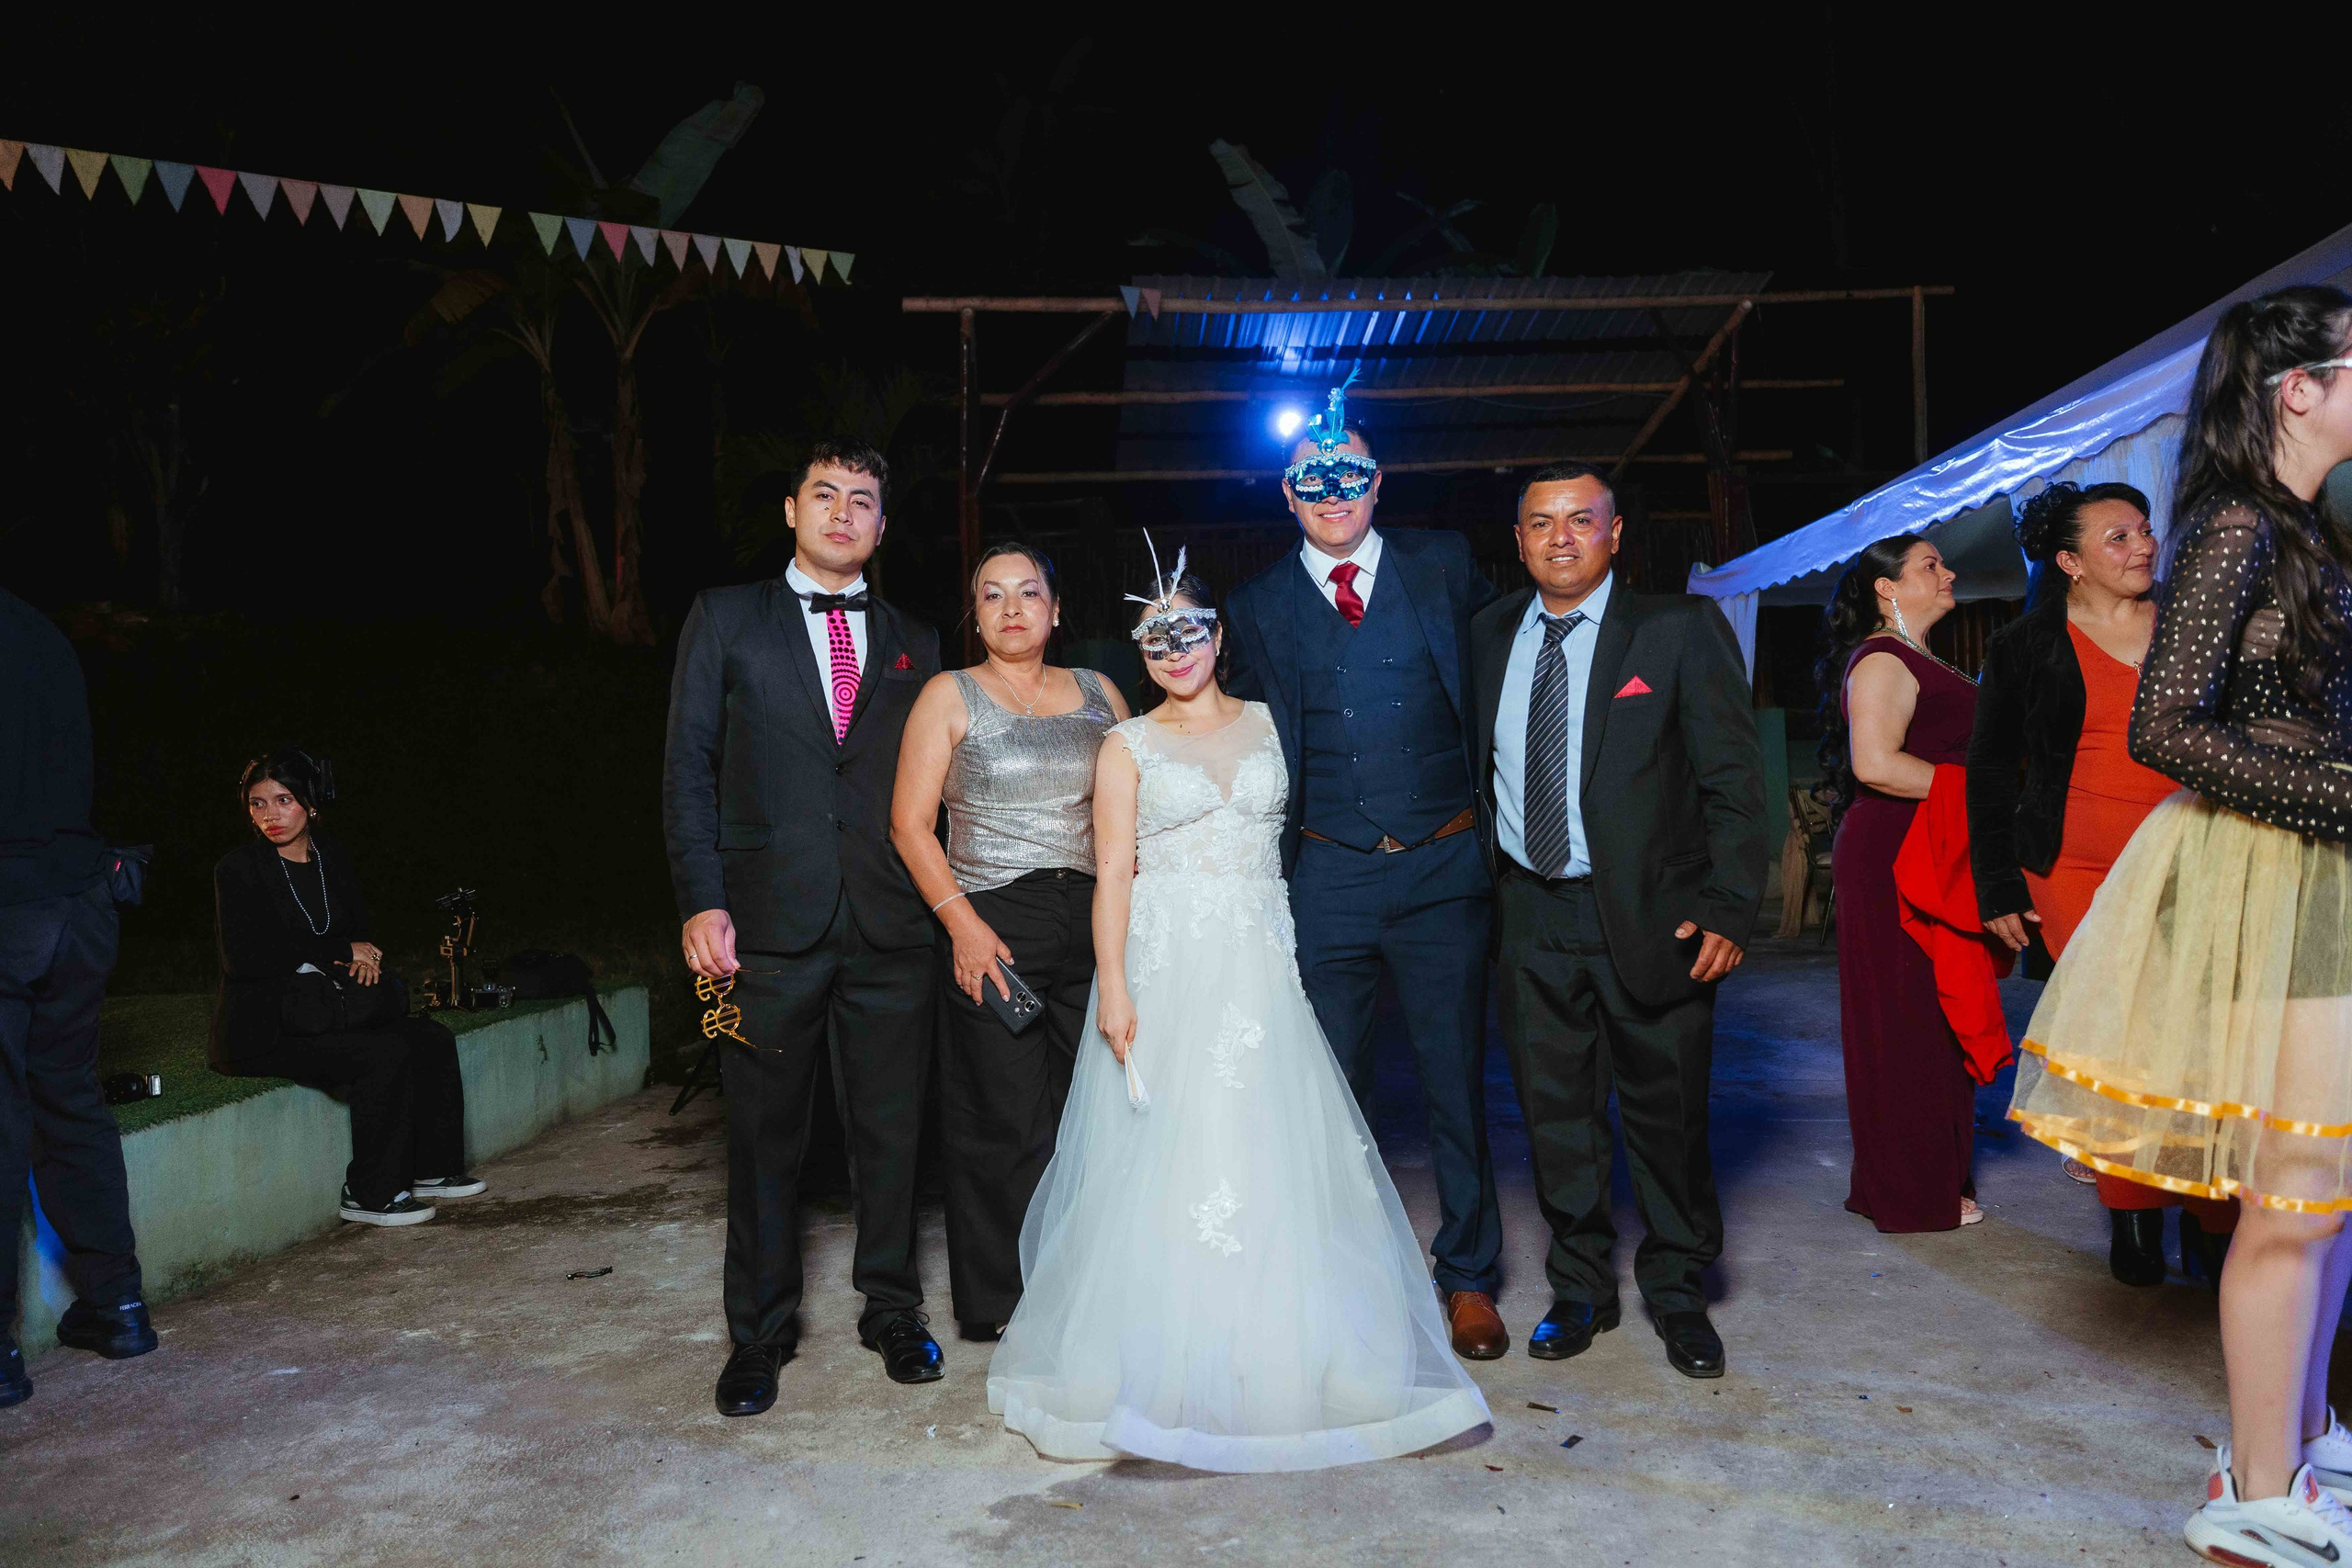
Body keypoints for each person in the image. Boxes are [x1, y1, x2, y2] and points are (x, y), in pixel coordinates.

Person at [987, 552, 1492, 1470]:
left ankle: (1282, 1347)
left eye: (1190, 629)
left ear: (1220, 637)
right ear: (1140, 651)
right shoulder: (1126, 745)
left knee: (1272, 1144)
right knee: (1172, 1148)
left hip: (1262, 969)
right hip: (1168, 969)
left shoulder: (1272, 723)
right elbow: (1112, 872)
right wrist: (1115, 985)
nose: (1174, 648)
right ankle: (1166, 1353)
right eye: (1155, 637)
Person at [2006, 287, 2352, 1562]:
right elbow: (2165, 727)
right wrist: (2340, 794)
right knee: (2295, 1197)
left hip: (2319, 870)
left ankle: (2300, 1438)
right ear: (2298, 389)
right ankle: (2256, 1495)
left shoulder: (2305, 528)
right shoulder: (2238, 528)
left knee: (2330, 1188)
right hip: (2265, 872)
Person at [1221, 378, 1509, 1361]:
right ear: (1287, 494)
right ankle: (1348, 1278)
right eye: (1314, 480)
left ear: (1379, 482)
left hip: (1443, 867)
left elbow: (1506, 670)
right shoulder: (1257, 603)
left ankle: (1468, 1276)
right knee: (1330, 1090)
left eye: (1350, 476)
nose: (1333, 494)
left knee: (1454, 1082)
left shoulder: (1443, 565)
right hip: (1327, 874)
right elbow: (1233, 725)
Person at [663, 438, 945, 1417]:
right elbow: (687, 769)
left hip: (890, 923)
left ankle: (892, 1310)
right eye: (824, 494)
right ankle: (760, 1333)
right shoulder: (724, 617)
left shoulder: (916, 638)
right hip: (765, 924)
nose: (842, 512)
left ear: (881, 524)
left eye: (861, 499)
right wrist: (701, 898)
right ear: (791, 510)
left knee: (893, 1135)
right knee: (762, 1138)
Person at [1467, 463, 1766, 1379]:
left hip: (1653, 916)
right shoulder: (1487, 634)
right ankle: (1580, 1288)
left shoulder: (1677, 629)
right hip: (1529, 911)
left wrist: (1727, 907)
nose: (1560, 537)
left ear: (1615, 532)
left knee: (1666, 1117)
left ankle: (1677, 1292)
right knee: (1556, 1117)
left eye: (1580, 519)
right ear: (1518, 539)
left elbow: (1734, 781)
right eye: (1541, 522)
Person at [1967, 480, 2237, 1288]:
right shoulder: (2026, 644)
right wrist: (1997, 884)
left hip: (2200, 860)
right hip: (2075, 870)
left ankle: (2214, 1218)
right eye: (2118, 536)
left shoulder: (2195, 624)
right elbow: (1990, 766)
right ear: (2070, 562)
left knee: (2206, 1044)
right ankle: (2133, 1214)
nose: (2144, 545)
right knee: (2122, 1048)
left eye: (2145, 529)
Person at [889, 540, 1127, 1343]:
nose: (1012, 608)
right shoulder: (948, 695)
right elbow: (910, 824)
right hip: (995, 922)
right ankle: (1006, 1303)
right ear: (976, 613)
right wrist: (963, 924)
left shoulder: (1100, 692)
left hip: (1096, 919)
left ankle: (1094, 1289)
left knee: (1096, 1112)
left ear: (1056, 610)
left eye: (1028, 592)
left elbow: (1135, 804)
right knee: (1003, 1120)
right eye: (992, 595)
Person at [212, 749, 479, 1227]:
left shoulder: (330, 857)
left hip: (327, 1009)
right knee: (381, 1053)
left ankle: (432, 1169)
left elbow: (358, 934)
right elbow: (245, 960)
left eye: (284, 800)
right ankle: (369, 1193)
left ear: (311, 803)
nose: (270, 815)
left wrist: (365, 959)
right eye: (258, 803)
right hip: (265, 1030)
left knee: (431, 1038)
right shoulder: (238, 869)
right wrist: (339, 949)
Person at [0, 587, 153, 1408]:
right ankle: (118, 1305)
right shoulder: (43, 631)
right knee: (70, 1098)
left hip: (12, 899)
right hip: (81, 898)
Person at [1819, 534, 1986, 1234]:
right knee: (1906, 1019)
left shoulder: (1921, 655)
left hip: (1930, 844)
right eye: (1930, 565)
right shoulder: (1884, 658)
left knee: (1936, 1015)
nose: (1948, 572)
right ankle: (1911, 1191)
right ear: (1886, 587)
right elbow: (1876, 764)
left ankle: (1925, 1175)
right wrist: (1984, 794)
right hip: (1894, 853)